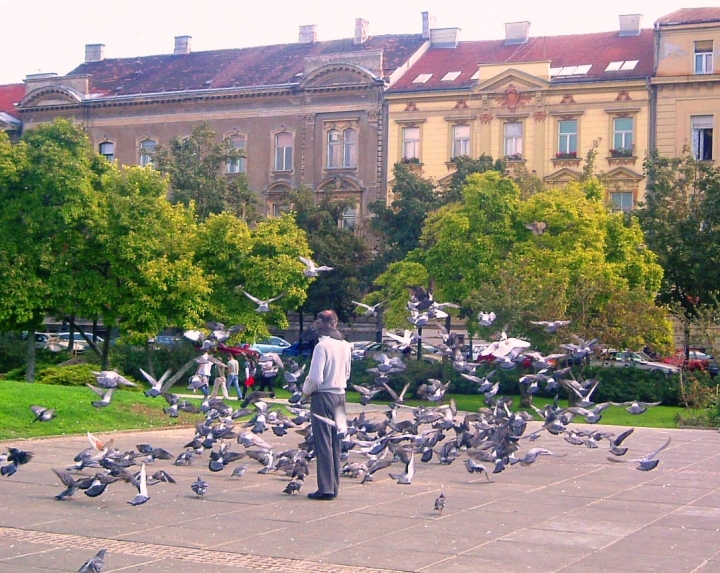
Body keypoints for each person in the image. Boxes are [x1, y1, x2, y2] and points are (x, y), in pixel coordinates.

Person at [302, 310, 351, 500]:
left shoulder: (321, 347)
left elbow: (315, 378)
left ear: (319, 324)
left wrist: (306, 391)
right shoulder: (345, 346)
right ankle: (334, 486)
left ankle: (326, 488)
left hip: (323, 396)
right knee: (336, 442)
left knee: (323, 443)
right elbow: (347, 373)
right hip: (341, 395)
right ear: (336, 324)